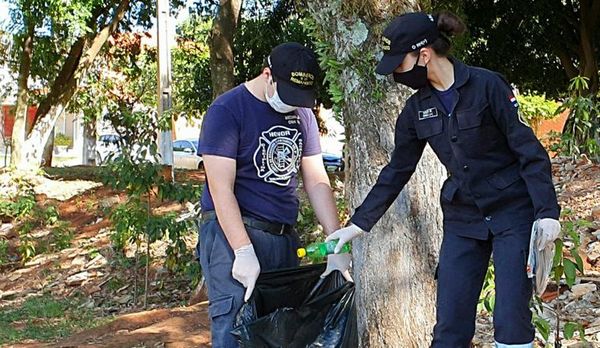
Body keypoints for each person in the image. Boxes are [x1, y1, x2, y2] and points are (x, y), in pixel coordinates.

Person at [326, 12, 561, 348]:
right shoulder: (415, 110)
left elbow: (529, 151)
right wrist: (358, 224)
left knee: (511, 321)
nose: (395, 73)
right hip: (463, 217)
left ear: (424, 55)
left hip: (513, 214)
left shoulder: (487, 86)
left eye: (399, 63)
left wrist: (547, 211)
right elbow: (397, 170)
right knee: (449, 327)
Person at [196, 42, 351, 348]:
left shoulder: (302, 114)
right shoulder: (227, 110)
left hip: (282, 238)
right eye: (289, 94)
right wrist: (242, 250)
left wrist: (335, 243)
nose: (294, 104)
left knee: (278, 333)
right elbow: (220, 188)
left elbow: (316, 179)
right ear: (268, 75)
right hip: (233, 234)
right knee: (234, 329)